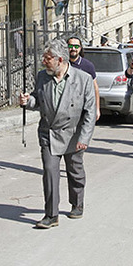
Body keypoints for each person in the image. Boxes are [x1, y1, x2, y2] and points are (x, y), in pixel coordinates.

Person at [19, 39, 96, 228]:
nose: (43, 62)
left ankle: (77, 203)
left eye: (47, 59)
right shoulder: (42, 77)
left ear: (59, 59)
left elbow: (90, 112)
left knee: (75, 171)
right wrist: (26, 101)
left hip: (73, 134)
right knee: (50, 172)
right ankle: (51, 215)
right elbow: (37, 100)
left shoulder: (83, 79)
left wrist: (84, 138)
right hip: (49, 133)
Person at [67, 36, 100, 120]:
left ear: (80, 48)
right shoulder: (62, 64)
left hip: (81, 109)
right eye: (70, 46)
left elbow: (95, 88)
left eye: (76, 46)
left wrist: (97, 109)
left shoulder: (87, 66)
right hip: (65, 109)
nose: (73, 48)